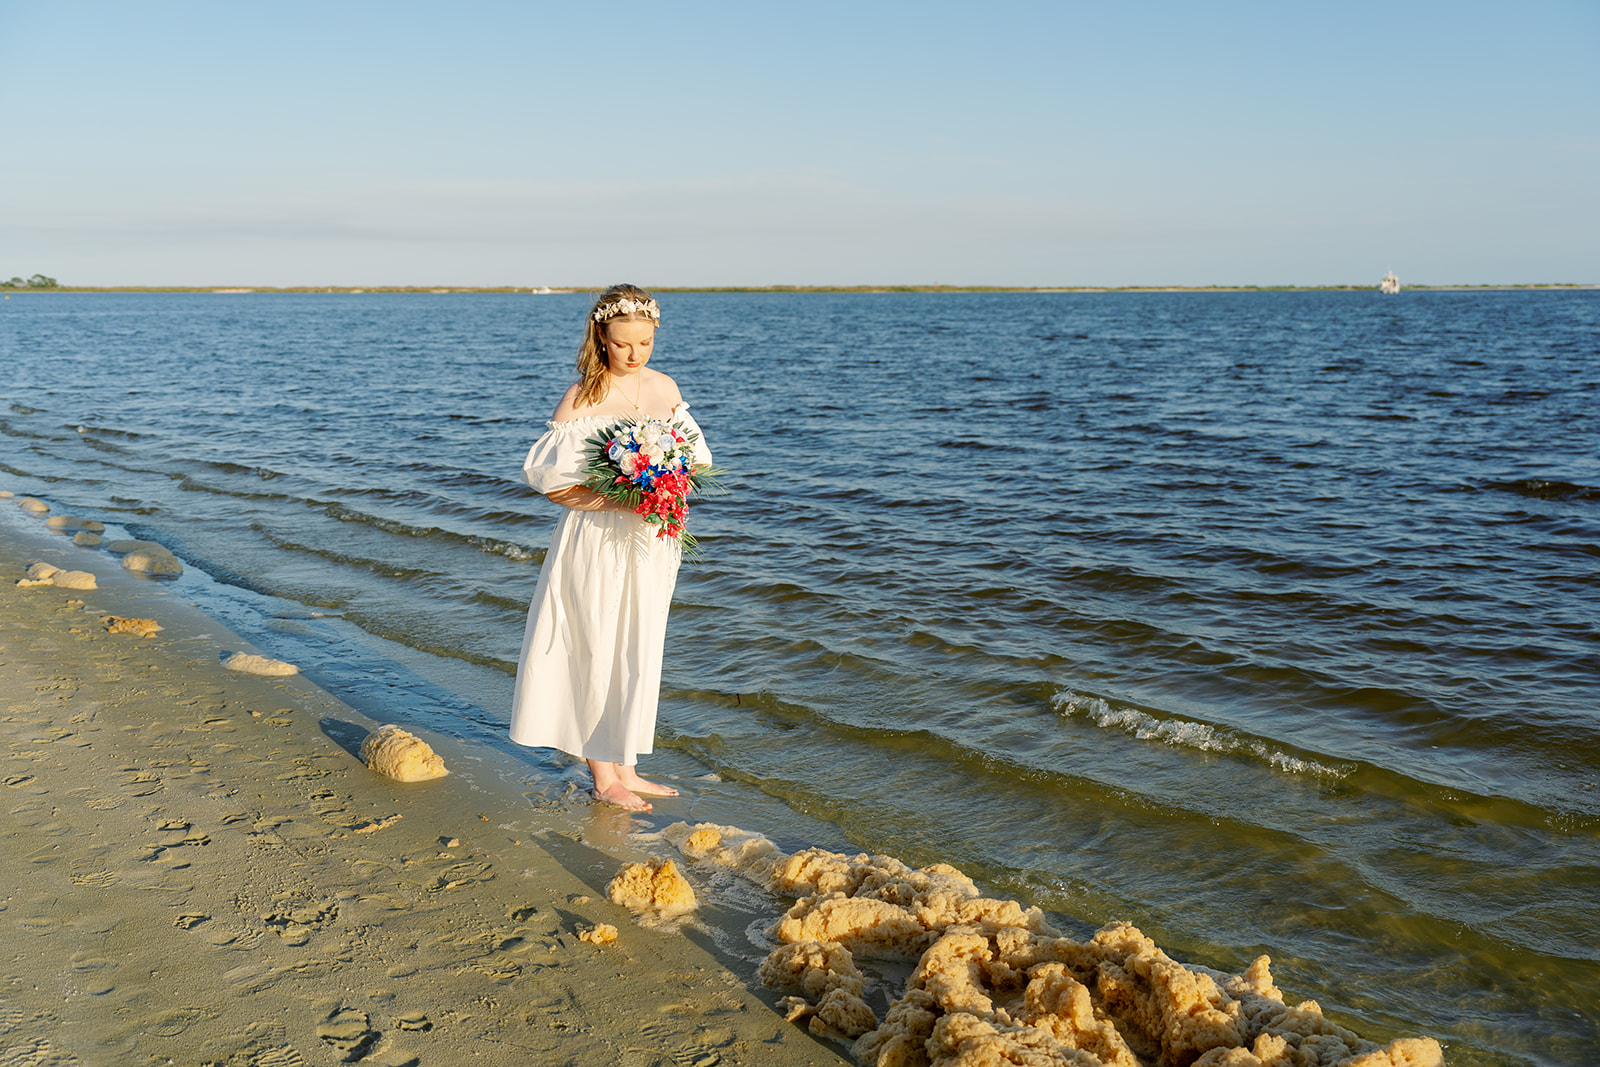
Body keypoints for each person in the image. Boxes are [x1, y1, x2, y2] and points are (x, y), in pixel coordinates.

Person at [509, 284, 712, 812]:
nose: (635, 354)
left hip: (652, 541)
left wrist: (664, 488)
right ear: (601, 336)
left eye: (645, 342)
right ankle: (603, 777)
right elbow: (555, 487)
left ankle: (627, 766)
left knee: (638, 646)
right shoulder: (582, 397)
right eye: (623, 343)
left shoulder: (665, 387)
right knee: (596, 643)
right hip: (597, 540)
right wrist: (621, 500)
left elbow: (693, 464)